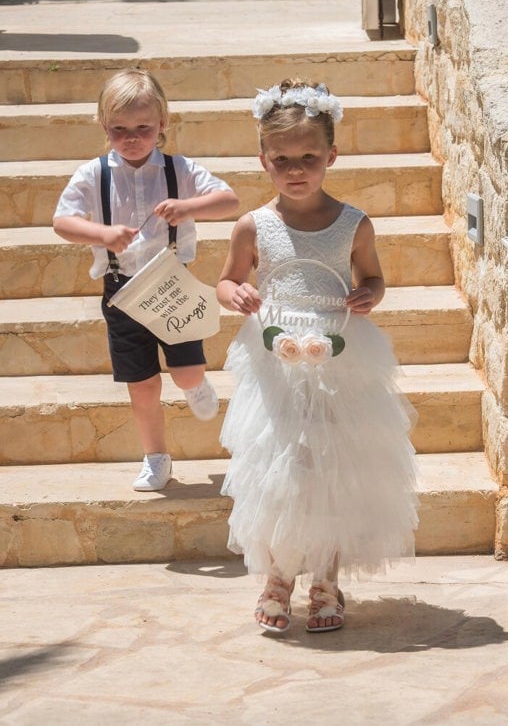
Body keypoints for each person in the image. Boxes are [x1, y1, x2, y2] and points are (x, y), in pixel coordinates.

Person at [216, 78, 418, 634]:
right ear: (264, 160)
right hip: (277, 357)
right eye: (282, 159)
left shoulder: (354, 224)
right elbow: (228, 281)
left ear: (332, 155)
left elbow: (373, 277)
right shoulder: (253, 225)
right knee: (281, 466)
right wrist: (236, 293)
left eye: (308, 157)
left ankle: (326, 579)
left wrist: (369, 294)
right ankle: (278, 576)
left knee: (334, 466)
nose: (295, 169)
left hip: (339, 356)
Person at [53, 68, 239, 492]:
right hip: (122, 293)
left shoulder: (180, 169)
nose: (131, 137)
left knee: (187, 373)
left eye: (143, 128)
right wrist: (101, 234)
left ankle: (195, 383)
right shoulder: (92, 175)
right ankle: (156, 457)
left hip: (172, 287)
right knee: (141, 385)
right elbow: (61, 221)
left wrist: (190, 207)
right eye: (119, 129)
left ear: (162, 124)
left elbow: (229, 200)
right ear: (104, 127)